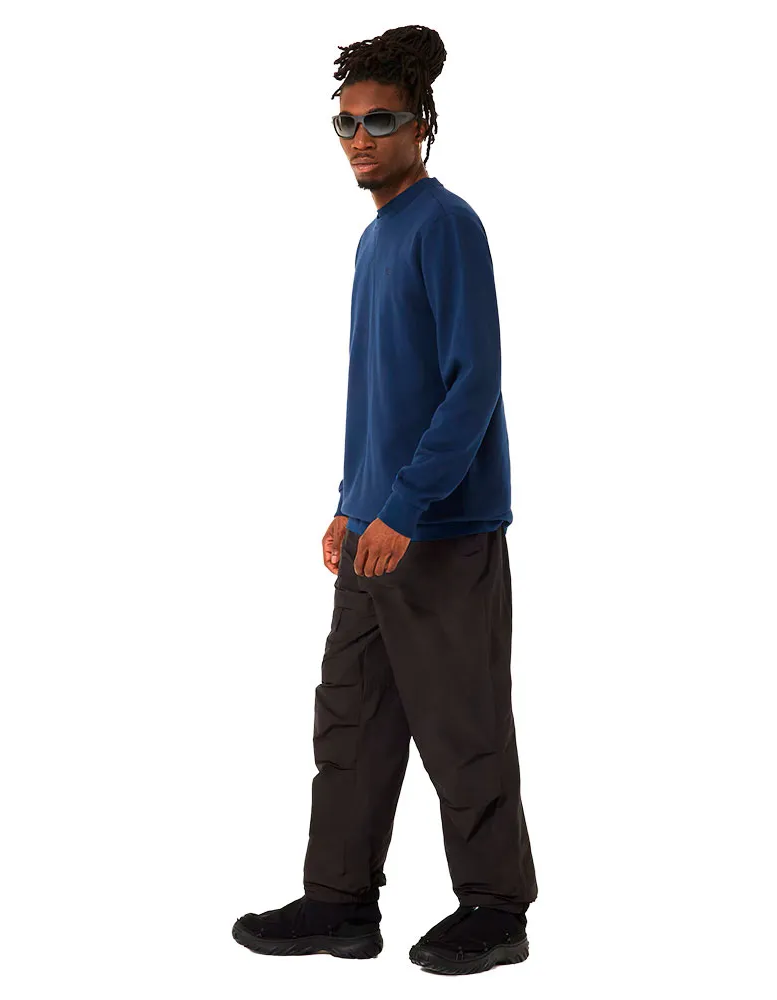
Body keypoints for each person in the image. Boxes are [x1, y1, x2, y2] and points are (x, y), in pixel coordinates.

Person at [232, 24, 537, 976]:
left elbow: (472, 383)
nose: (359, 139)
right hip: (374, 528)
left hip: (439, 529)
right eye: (345, 123)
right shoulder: (375, 240)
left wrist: (404, 508)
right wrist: (351, 501)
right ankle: (339, 902)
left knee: (463, 721)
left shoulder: (447, 225)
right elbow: (380, 394)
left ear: (421, 126)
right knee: (351, 723)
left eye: (380, 121)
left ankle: (496, 910)